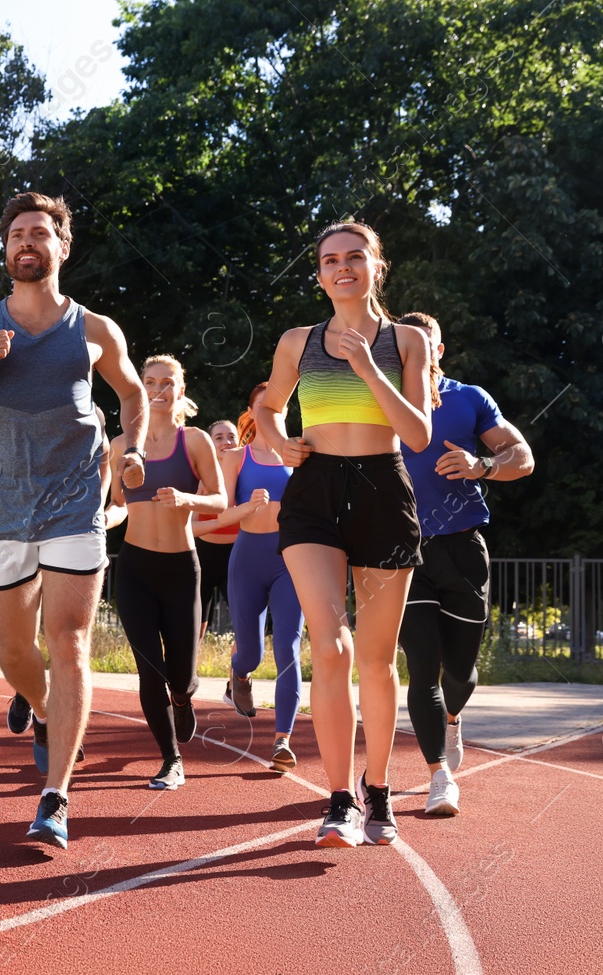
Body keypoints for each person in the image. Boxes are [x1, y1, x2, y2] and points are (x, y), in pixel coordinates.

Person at [0, 191, 147, 850]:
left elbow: (133, 391)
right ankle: (46, 709)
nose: (26, 244)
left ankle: (54, 799)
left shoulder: (95, 329)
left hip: (74, 505)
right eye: (16, 234)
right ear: (6, 249)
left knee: (69, 641)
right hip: (1, 507)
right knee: (13, 650)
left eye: (39, 234)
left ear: (61, 246)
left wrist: (131, 447)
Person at [255, 219, 435, 848]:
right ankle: (338, 802)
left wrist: (368, 368)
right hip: (314, 495)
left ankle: (378, 789)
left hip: (385, 491)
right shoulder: (297, 341)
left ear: (376, 267)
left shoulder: (409, 342)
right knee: (331, 649)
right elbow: (266, 405)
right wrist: (278, 443)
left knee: (379, 660)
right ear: (319, 273)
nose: (342, 268)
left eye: (355, 257)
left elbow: (417, 435)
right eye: (330, 260)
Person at [394, 311, 534, 816]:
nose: (414, 352)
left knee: (461, 670)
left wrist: (483, 466)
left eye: (422, 345)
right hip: (402, 551)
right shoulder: (380, 400)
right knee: (422, 669)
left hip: (462, 546)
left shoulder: (469, 397)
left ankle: (454, 717)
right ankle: (439, 776)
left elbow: (523, 455)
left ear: (438, 349)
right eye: (403, 344)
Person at [0, 411, 121, 765]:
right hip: (15, 528)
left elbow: (105, 458)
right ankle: (31, 695)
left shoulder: (90, 411)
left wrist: (96, 502)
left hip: (71, 529)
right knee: (21, 638)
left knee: (66, 637)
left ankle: (56, 732)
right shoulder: (13, 404)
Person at [107, 356, 225, 790]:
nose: (158, 389)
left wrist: (187, 499)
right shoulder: (121, 446)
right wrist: (107, 519)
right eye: (150, 382)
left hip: (181, 569)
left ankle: (183, 696)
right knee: (149, 670)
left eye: (167, 383)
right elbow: (119, 502)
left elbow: (220, 499)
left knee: (182, 674)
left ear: (180, 389)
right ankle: (170, 758)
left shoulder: (193, 440)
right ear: (140, 387)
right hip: (135, 569)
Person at [204, 384, 306, 774]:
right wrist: (248, 507)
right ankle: (239, 672)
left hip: (289, 562)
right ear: (250, 413)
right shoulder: (235, 458)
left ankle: (282, 740)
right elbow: (221, 515)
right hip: (246, 559)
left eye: (278, 405)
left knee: (288, 648)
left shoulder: (299, 456)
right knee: (252, 653)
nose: (272, 411)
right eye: (264, 406)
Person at [192, 420, 241, 640]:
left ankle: (239, 673)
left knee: (245, 620)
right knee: (195, 620)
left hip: (238, 555)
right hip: (203, 555)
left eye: (231, 436)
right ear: (210, 444)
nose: (226, 442)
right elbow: (189, 527)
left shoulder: (248, 474)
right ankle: (187, 672)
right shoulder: (201, 477)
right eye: (219, 438)